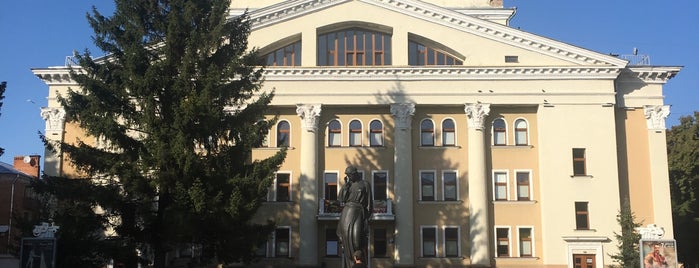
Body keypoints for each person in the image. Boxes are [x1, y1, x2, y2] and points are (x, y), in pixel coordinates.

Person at [337, 166, 372, 268]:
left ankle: (359, 262)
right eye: (347, 175)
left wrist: (367, 217)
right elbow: (341, 199)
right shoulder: (348, 185)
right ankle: (350, 264)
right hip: (347, 211)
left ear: (355, 173)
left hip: (359, 212)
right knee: (346, 238)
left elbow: (369, 203)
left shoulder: (365, 184)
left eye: (350, 175)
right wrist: (346, 186)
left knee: (356, 240)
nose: (349, 177)